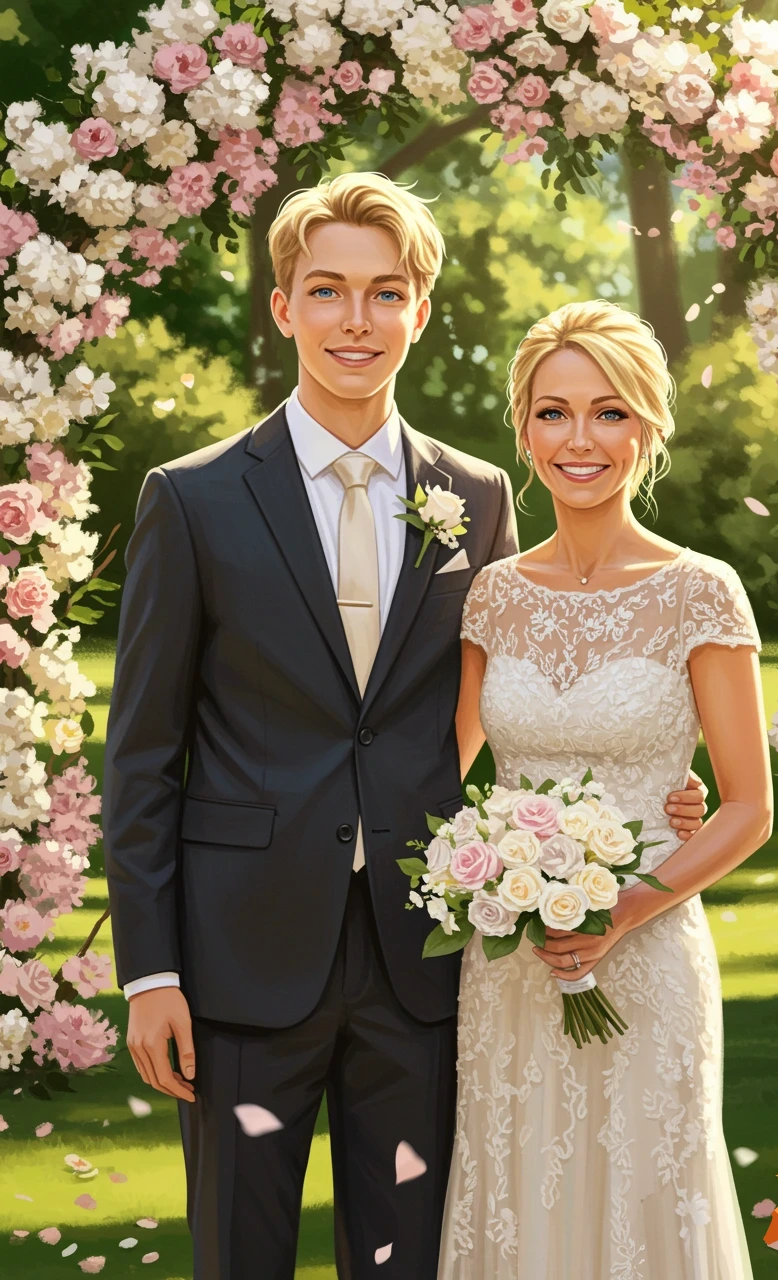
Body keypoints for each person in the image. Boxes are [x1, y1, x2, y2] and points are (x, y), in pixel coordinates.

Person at [103, 174, 708, 1280]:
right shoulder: (191, 499)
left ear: (419, 312)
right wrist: (151, 973)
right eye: (326, 290)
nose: (356, 319)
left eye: (385, 293)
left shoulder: (477, 496)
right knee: (239, 1257)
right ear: (283, 307)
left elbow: (512, 701)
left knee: (406, 1259)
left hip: (424, 958)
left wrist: (651, 794)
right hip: (239, 961)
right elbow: (141, 755)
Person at [439, 299, 773, 1280]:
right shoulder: (493, 594)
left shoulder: (700, 590)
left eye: (608, 412)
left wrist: (622, 910)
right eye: (553, 413)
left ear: (647, 426)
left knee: (645, 1200)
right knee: (516, 1191)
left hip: (650, 955)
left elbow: (749, 808)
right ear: (523, 428)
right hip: (509, 960)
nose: (578, 439)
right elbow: (436, 774)